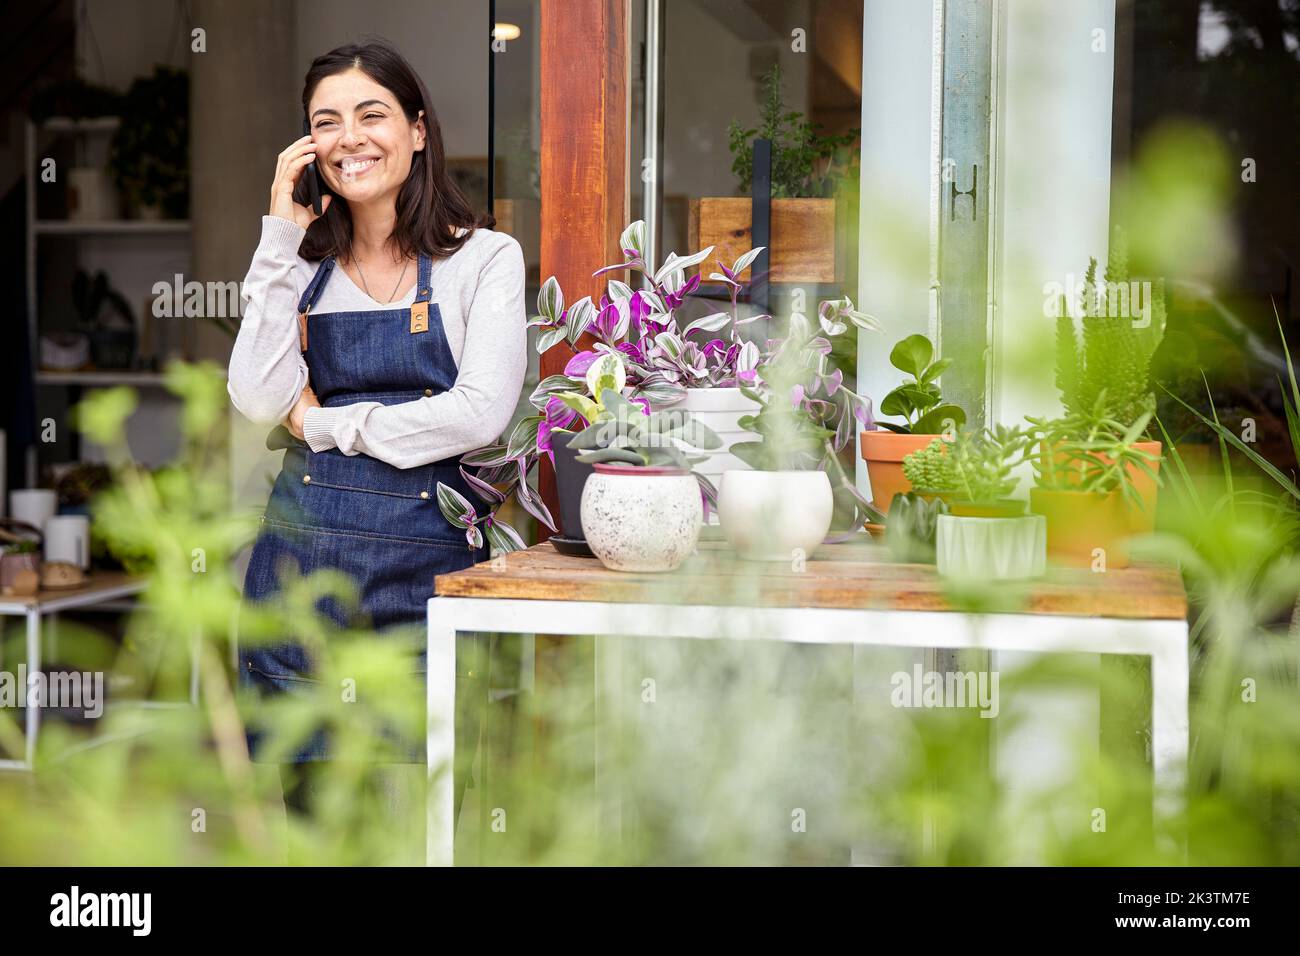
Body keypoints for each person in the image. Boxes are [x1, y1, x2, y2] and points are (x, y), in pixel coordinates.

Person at [226, 38, 525, 834]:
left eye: (371, 114)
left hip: (430, 574)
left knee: (430, 827)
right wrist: (278, 237)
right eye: (326, 122)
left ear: (418, 130)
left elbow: (479, 411)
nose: (349, 137)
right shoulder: (303, 269)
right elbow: (257, 396)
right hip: (300, 572)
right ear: (307, 150)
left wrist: (326, 422)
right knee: (318, 830)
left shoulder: (483, 260)